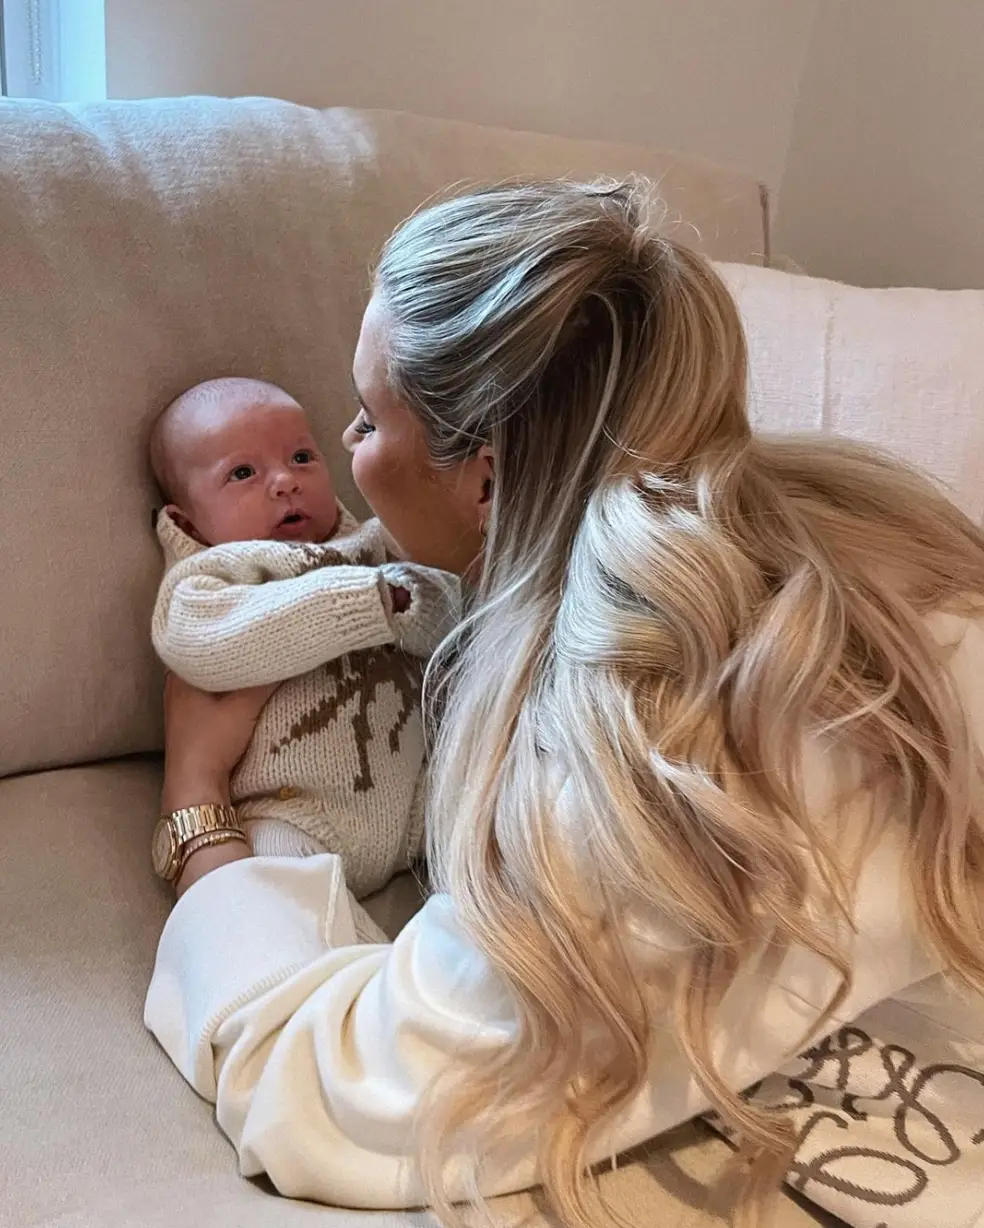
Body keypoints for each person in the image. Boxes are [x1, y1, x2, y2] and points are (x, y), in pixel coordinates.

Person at [145, 180, 984, 1228]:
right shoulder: (874, 529)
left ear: (487, 480)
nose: (348, 455)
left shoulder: (638, 740)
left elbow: (334, 1088)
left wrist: (197, 806)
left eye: (363, 418)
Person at [148, 378, 457, 911]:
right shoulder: (212, 576)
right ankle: (360, 973)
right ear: (186, 521)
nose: (285, 481)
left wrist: (408, 601)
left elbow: (454, 614)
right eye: (242, 473)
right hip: (294, 812)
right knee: (284, 902)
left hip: (420, 791)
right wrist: (369, 602)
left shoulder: (377, 544)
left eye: (302, 456)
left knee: (505, 826)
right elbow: (199, 641)